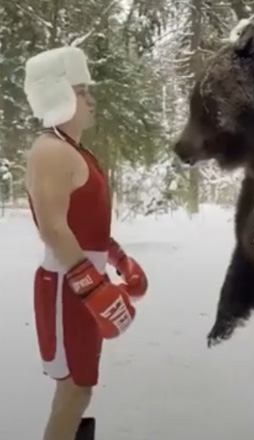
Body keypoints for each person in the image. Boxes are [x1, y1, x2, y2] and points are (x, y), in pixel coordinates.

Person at [23, 46, 148, 440]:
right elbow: (54, 229)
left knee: (77, 389)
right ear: (56, 92)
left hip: (76, 283)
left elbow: (83, 224)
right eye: (81, 91)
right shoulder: (50, 151)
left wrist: (117, 258)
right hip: (66, 287)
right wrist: (91, 285)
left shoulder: (71, 149)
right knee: (75, 390)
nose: (91, 99)